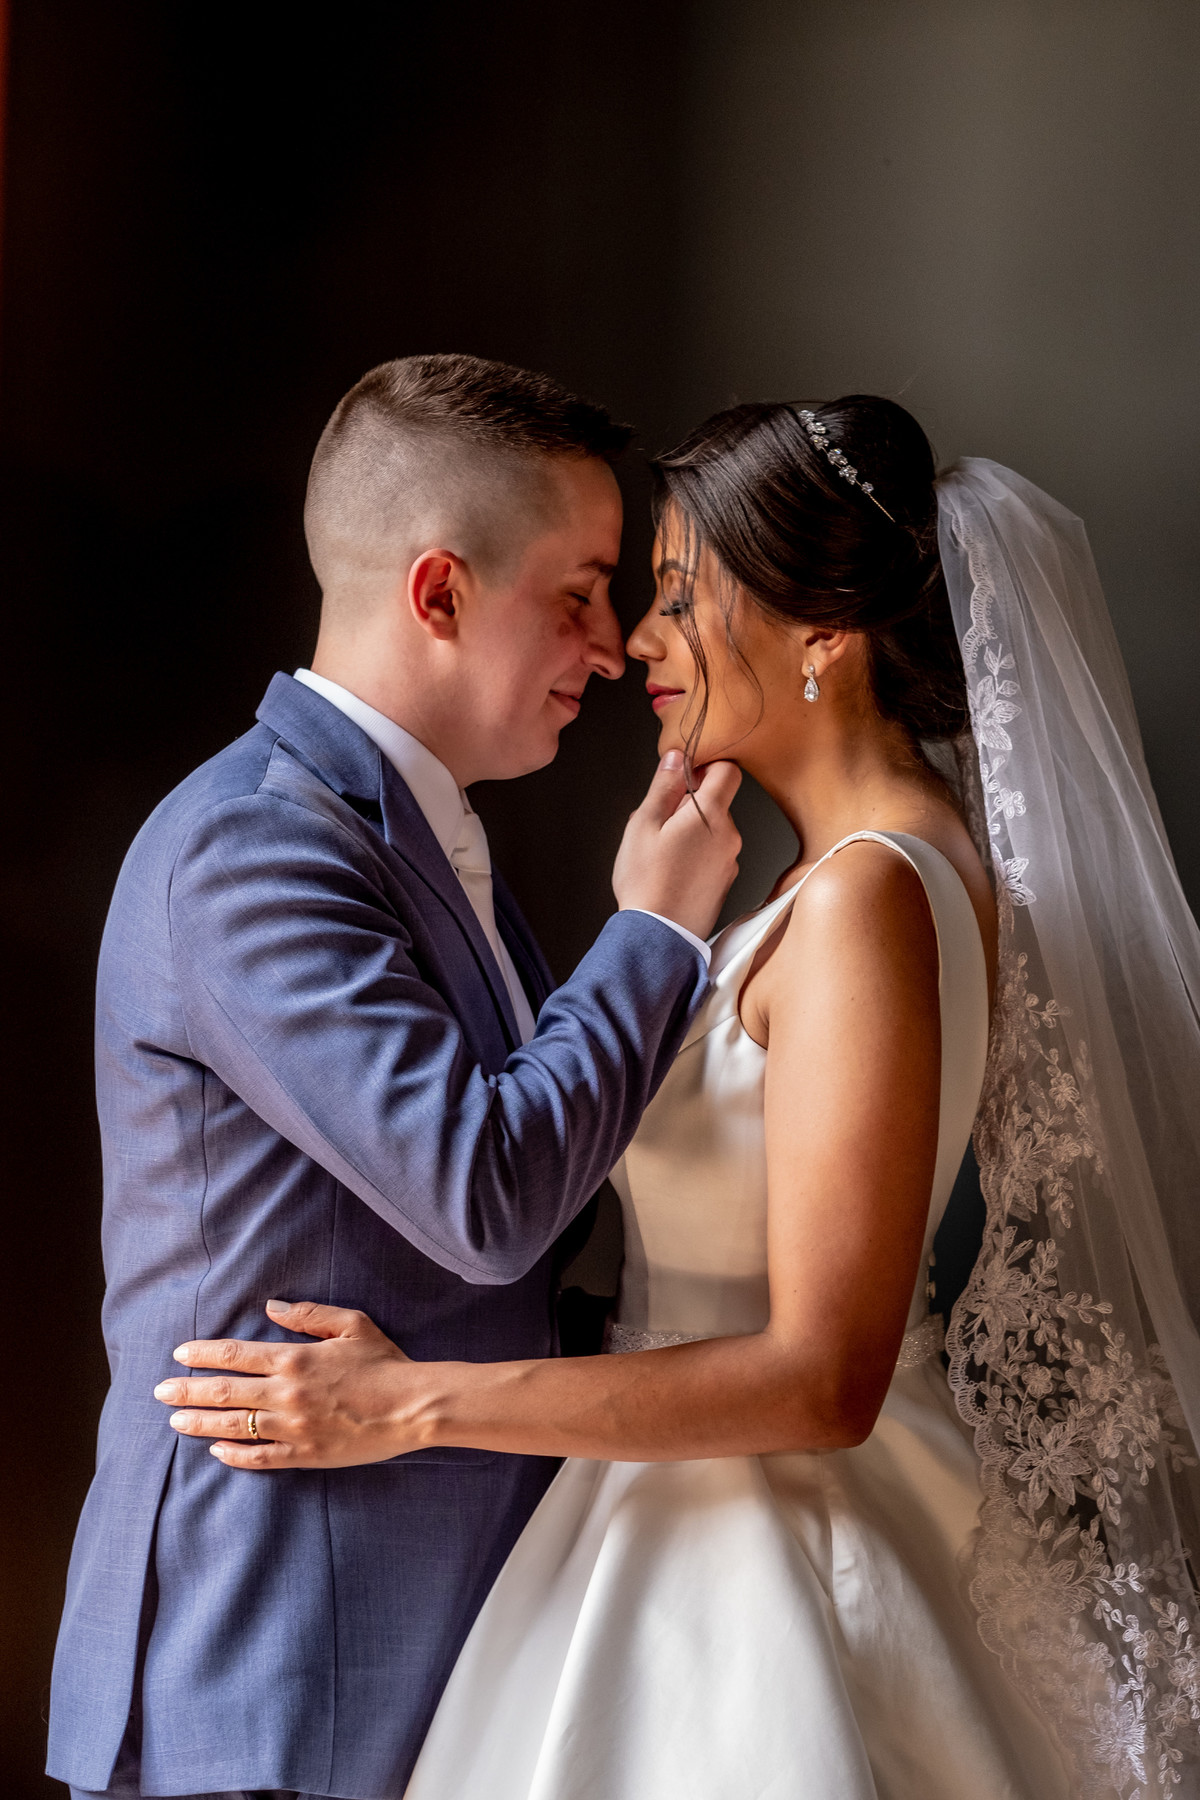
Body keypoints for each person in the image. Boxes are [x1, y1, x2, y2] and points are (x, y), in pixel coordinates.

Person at [164, 397, 1200, 1799]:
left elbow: (823, 1375)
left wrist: (407, 1404)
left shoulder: (866, 899)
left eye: (669, 596)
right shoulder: (867, 878)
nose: (635, 644)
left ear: (821, 629)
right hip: (681, 1513)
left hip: (765, 1557)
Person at [47, 353, 744, 1800]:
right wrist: (659, 928)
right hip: (277, 1666)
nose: (612, 647)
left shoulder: (415, 834)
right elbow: (486, 1195)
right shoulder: (254, 849)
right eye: (579, 592)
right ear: (437, 594)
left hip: (422, 1641)